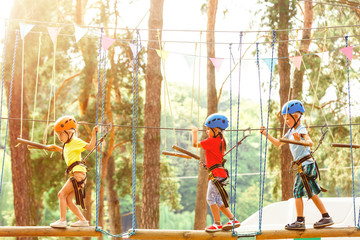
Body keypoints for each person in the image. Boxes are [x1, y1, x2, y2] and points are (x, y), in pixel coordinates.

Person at [260, 100, 333, 230]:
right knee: (311, 192)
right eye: (285, 119)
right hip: (304, 165)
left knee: (297, 191)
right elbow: (278, 144)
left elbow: (310, 142)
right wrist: (266, 134)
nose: (286, 121)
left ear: (296, 116)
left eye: (288, 118)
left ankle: (300, 221)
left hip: (306, 165)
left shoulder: (301, 129)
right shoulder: (289, 132)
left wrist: (301, 140)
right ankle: (326, 216)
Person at [192, 113, 241, 232]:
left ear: (216, 130)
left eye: (208, 129)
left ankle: (217, 223)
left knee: (210, 199)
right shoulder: (221, 140)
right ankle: (233, 220)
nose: (207, 132)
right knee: (218, 201)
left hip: (216, 175)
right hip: (219, 174)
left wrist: (194, 132)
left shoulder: (211, 141)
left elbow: (194, 144)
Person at [47, 116, 98, 228]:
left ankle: (62, 220)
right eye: (58, 135)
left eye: (61, 134)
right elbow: (66, 152)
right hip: (78, 175)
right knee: (68, 200)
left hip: (79, 174)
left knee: (61, 194)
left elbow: (90, 146)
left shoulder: (76, 141)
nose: (59, 137)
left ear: (69, 132)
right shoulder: (68, 145)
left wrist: (94, 134)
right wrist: (55, 147)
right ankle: (83, 221)